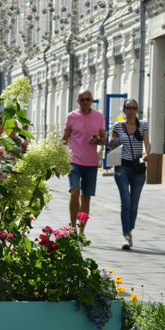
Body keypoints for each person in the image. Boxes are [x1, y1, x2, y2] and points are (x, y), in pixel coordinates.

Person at [62, 89, 105, 234]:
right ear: (77, 101)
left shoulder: (99, 116)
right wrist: (58, 161)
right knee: (74, 191)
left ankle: (81, 231)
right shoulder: (71, 116)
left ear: (92, 100)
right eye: (82, 100)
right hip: (73, 160)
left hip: (91, 163)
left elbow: (104, 139)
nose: (85, 102)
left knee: (86, 198)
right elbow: (64, 139)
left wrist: (97, 140)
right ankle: (73, 227)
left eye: (87, 99)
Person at [110, 99, 151, 250]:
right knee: (125, 201)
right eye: (128, 108)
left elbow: (147, 142)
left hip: (138, 168)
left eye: (134, 108)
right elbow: (113, 145)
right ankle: (126, 235)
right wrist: (111, 159)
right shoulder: (118, 126)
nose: (131, 110)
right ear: (124, 110)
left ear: (137, 110)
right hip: (122, 167)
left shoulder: (143, 125)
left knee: (134, 205)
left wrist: (147, 152)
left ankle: (130, 230)